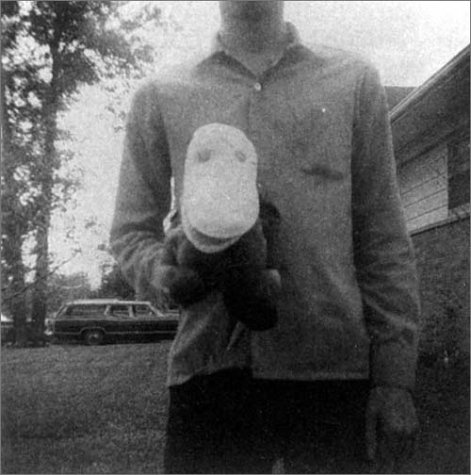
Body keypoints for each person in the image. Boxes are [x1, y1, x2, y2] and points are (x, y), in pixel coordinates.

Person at [110, 1, 420, 473]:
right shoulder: (159, 94)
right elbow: (131, 230)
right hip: (209, 371)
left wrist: (394, 379)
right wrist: (164, 273)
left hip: (332, 377)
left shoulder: (354, 82)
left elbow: (383, 237)